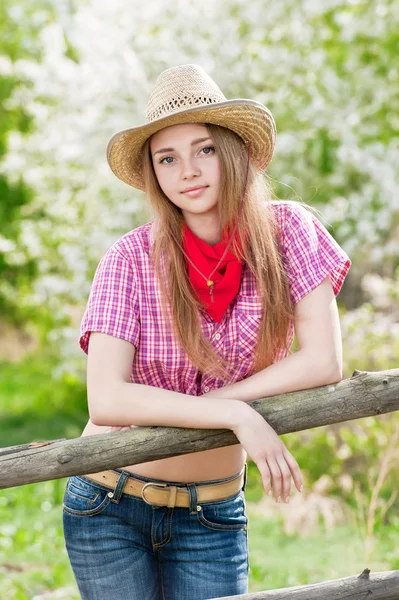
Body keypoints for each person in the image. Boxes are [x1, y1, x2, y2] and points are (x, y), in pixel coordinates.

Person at [62, 64, 351, 600]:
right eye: (167, 158)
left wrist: (221, 400)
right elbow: (105, 399)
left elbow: (324, 362)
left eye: (204, 150)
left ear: (233, 150)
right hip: (109, 503)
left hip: (212, 511)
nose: (187, 171)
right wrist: (234, 414)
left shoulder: (290, 232)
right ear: (153, 174)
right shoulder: (130, 259)